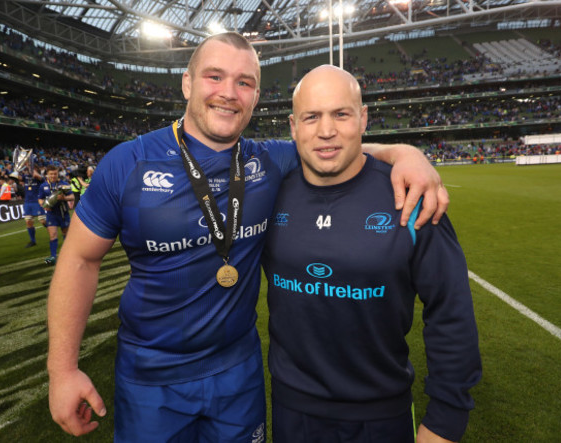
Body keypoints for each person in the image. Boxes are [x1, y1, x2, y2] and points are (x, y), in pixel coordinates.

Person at [46, 32, 449, 441]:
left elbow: (340, 144)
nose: (228, 93)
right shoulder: (127, 164)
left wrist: (405, 154)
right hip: (151, 376)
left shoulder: (271, 160)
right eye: (214, 77)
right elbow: (80, 260)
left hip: (238, 372)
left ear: (256, 96)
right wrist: (62, 370)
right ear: (187, 83)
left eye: (245, 82)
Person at [262, 65, 481, 443]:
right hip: (290, 411)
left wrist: (446, 419)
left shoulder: (410, 196)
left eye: (341, 114)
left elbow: (450, 312)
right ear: (293, 127)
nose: (326, 130)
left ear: (363, 118)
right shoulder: (268, 193)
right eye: (311, 117)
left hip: (382, 416)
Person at [38, 165, 73, 265]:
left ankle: (69, 254)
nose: (53, 175)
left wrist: (64, 199)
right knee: (52, 235)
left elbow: (71, 197)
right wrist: (44, 205)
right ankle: (53, 257)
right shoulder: (43, 186)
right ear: (47, 175)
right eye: (51, 174)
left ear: (58, 173)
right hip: (51, 214)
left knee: (66, 234)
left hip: (63, 213)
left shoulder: (64, 184)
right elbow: (40, 198)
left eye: (55, 173)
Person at [20, 164, 46, 247]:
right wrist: (18, 168)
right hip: (27, 202)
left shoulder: (39, 178)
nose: (29, 170)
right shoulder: (26, 176)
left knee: (42, 221)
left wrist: (31, 167)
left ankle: (53, 231)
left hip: (37, 201)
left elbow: (37, 176)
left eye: (32, 168)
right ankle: (33, 241)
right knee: (28, 221)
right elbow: (18, 177)